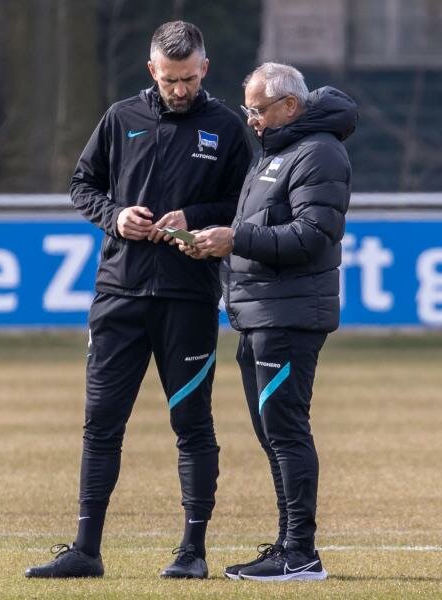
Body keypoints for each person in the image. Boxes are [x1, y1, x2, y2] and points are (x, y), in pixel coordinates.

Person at [24, 20, 251, 579]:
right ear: (152, 70)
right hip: (118, 296)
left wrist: (195, 218)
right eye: (171, 79)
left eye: (189, 79)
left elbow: (244, 203)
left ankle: (193, 552)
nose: (180, 89)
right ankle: (85, 550)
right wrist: (115, 216)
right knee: (101, 423)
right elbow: (83, 185)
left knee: (193, 425)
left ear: (205, 68)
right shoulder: (121, 117)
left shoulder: (225, 127)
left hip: (188, 298)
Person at [178, 62, 357, 581]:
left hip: (289, 315)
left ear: (290, 107)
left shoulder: (319, 152)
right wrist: (213, 239)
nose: (251, 120)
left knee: (286, 431)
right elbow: (256, 229)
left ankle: (301, 552)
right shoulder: (276, 154)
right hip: (258, 312)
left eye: (257, 110)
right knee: (272, 433)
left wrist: (236, 240)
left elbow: (311, 236)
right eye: (248, 110)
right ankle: (287, 545)